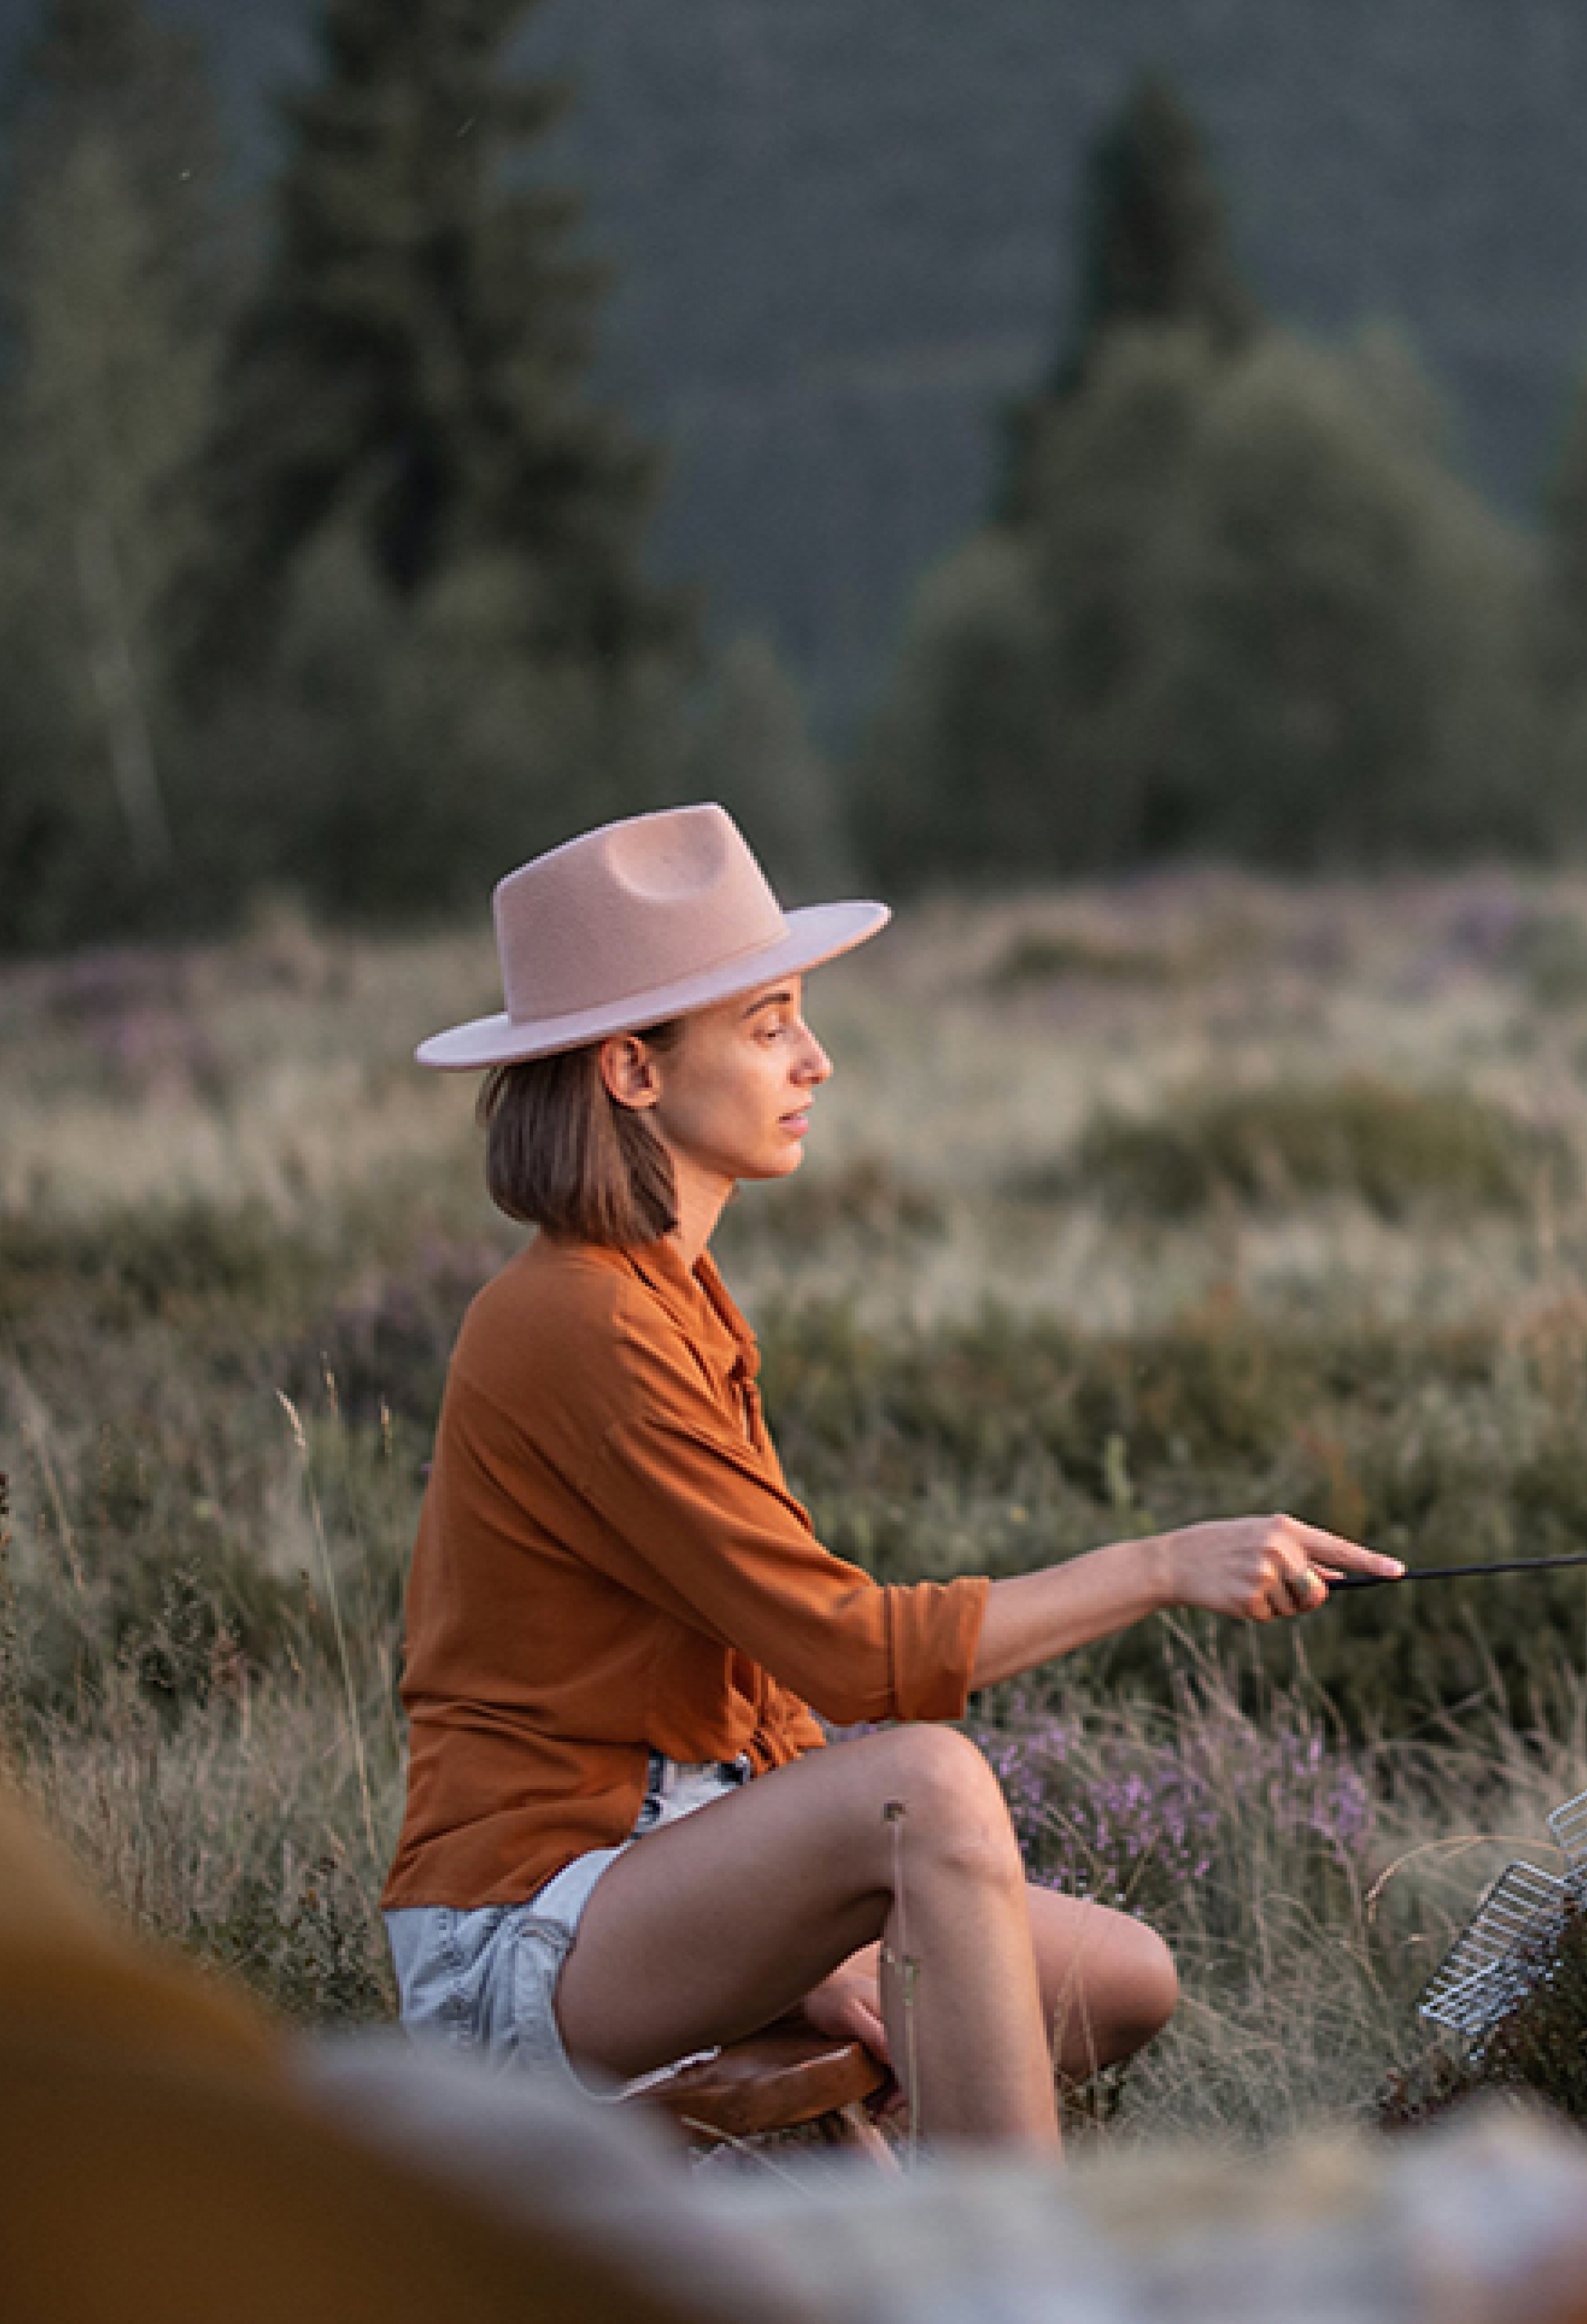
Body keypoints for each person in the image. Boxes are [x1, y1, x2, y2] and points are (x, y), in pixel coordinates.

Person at [379, 804, 1398, 2152]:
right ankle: (1002, 2280)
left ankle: (840, 2210)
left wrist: (821, 1948)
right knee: (926, 1783)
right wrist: (1161, 1567)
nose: (817, 1059)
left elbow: (767, 1677)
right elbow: (855, 1655)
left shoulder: (673, 1296)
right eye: (769, 1024)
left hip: (676, 1873)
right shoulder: (576, 1321)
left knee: (1121, 1982)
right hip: (524, 1935)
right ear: (632, 1069)